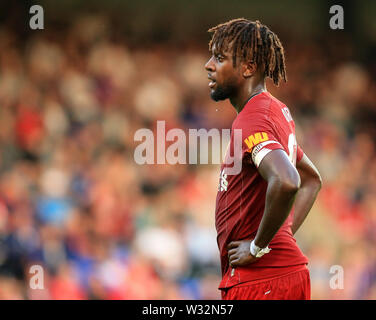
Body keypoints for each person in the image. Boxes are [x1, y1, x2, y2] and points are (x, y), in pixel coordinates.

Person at [204, 18, 322, 300]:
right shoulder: (273, 110)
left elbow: (288, 180)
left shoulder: (255, 117)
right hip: (277, 275)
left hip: (262, 280)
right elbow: (311, 179)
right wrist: (278, 235)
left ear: (248, 68)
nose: (208, 65)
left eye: (219, 58)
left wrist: (259, 246)